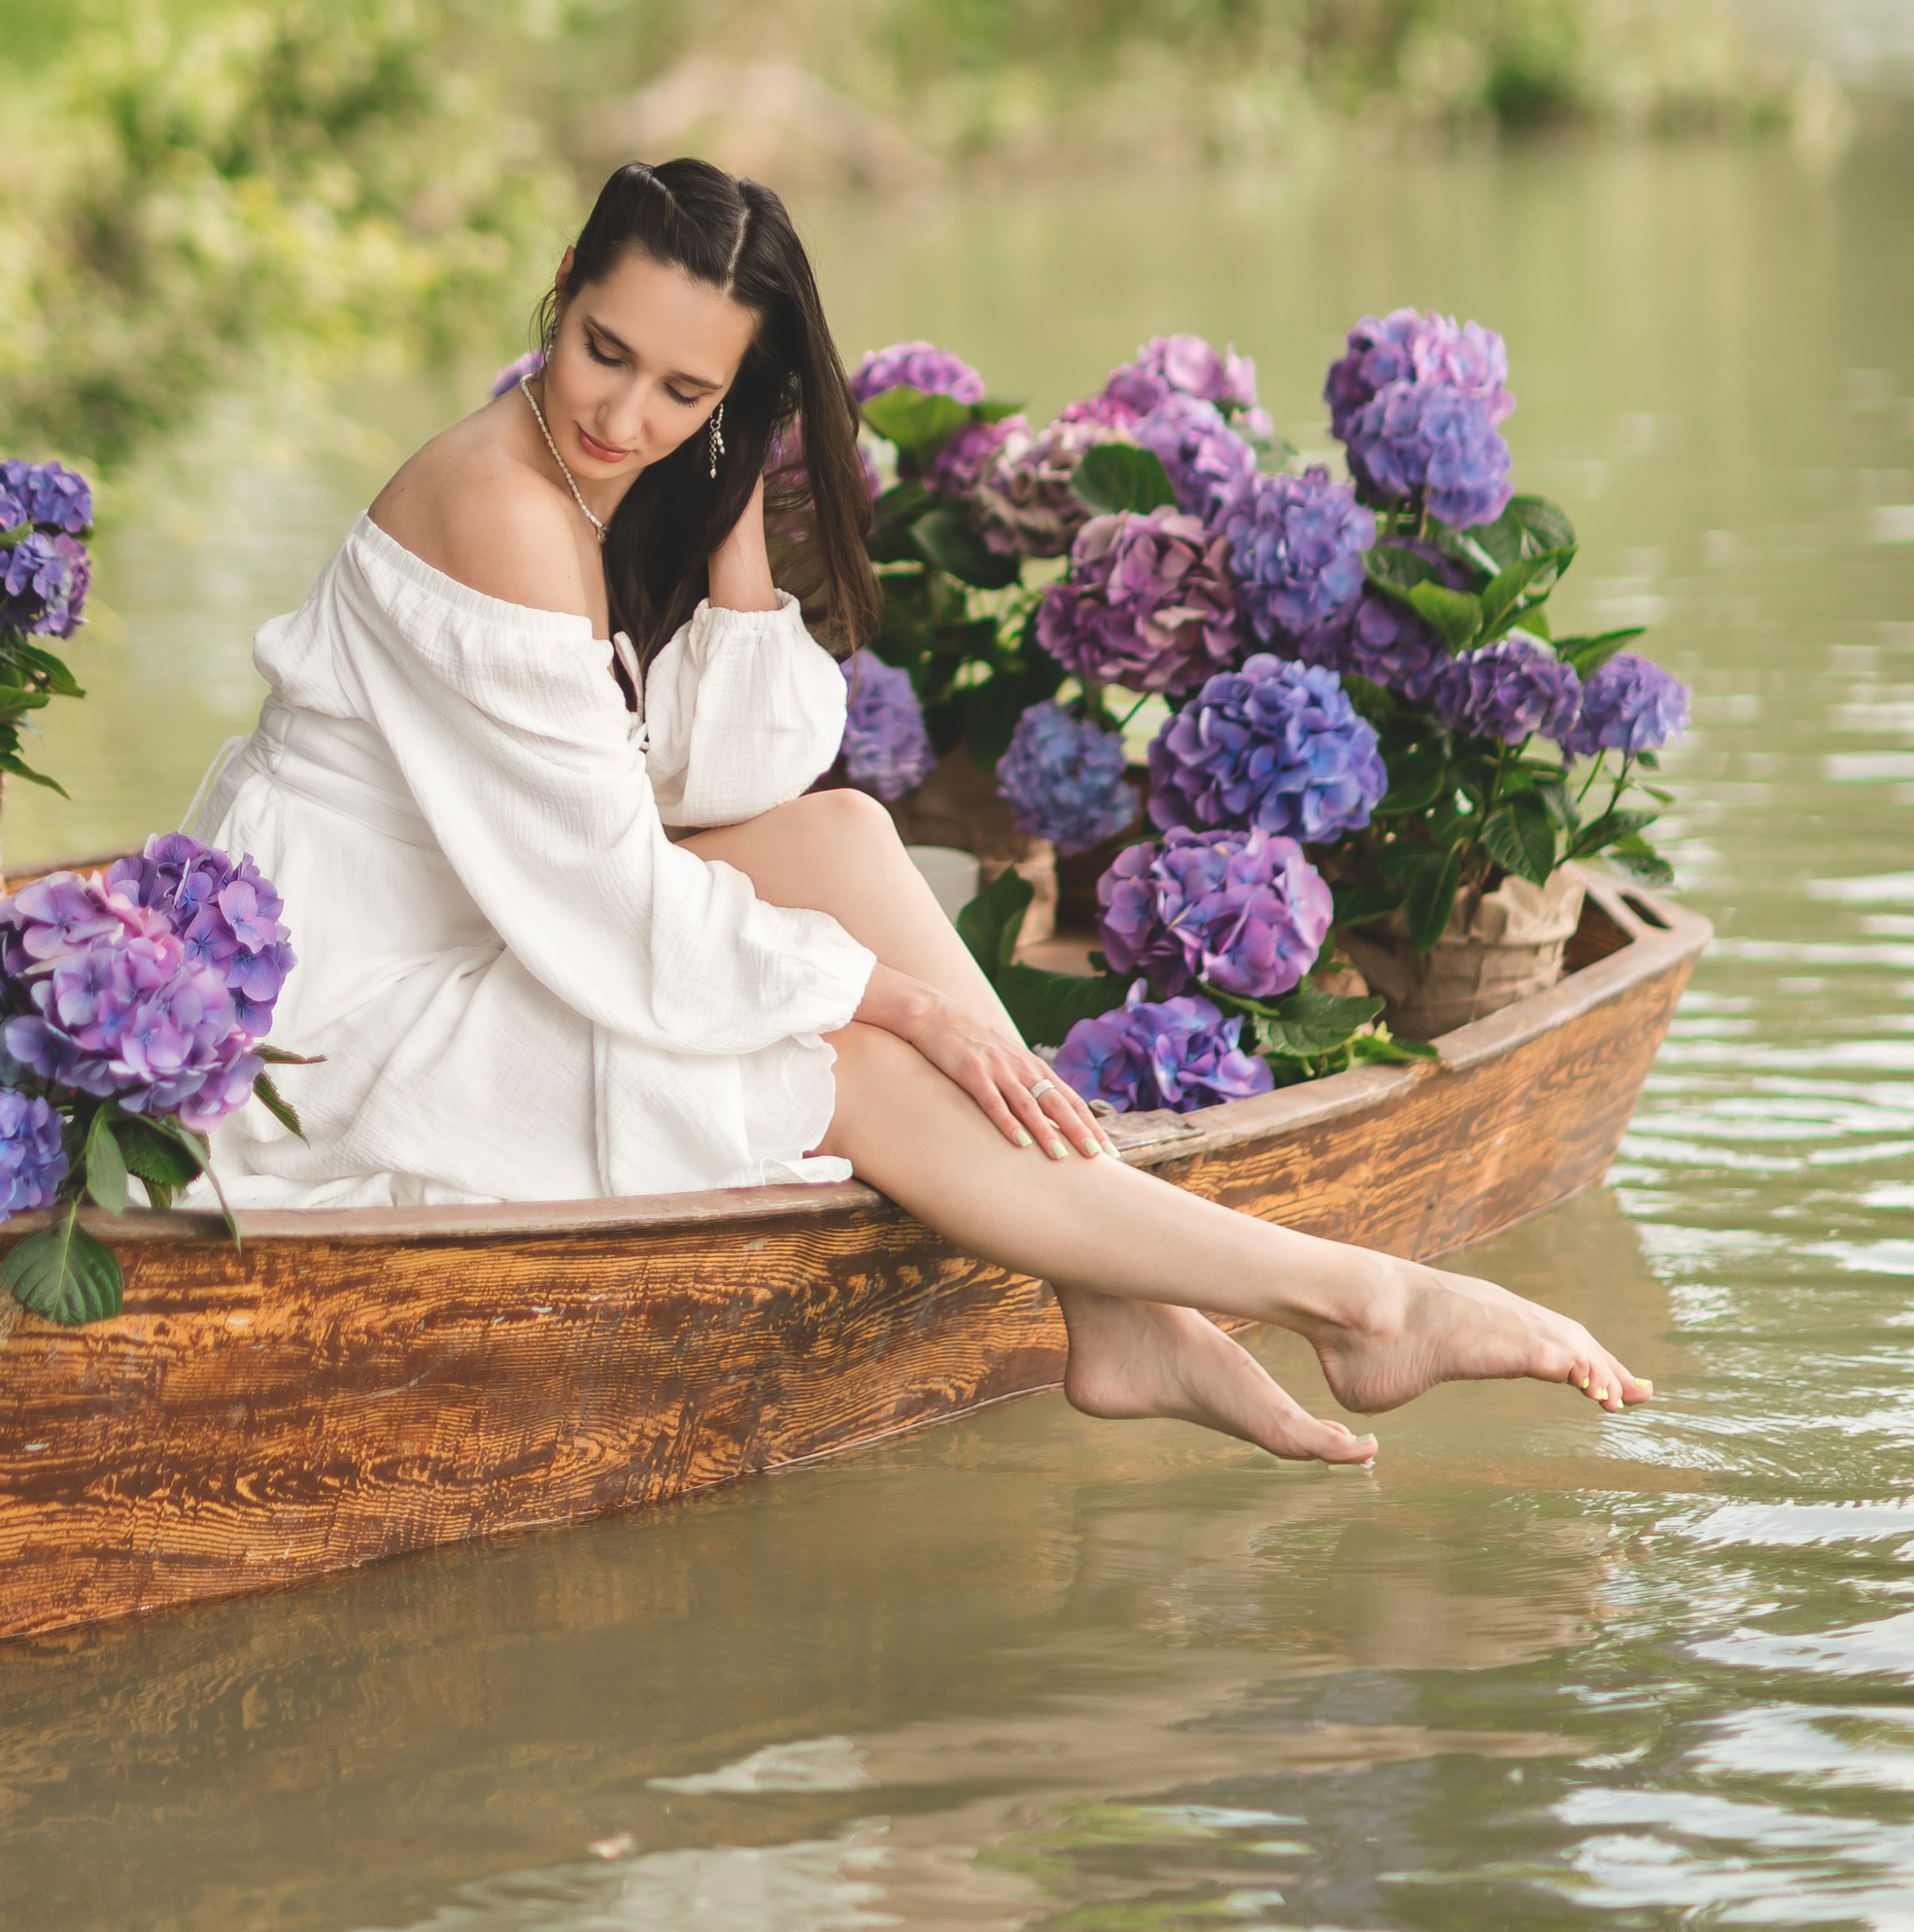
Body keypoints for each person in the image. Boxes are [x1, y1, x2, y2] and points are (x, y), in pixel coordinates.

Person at [184, 155, 1648, 1463]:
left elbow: (743, 772)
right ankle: (1357, 1293)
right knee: (847, 1053)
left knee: (843, 838)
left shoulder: (600, 472)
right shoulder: (499, 501)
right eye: (601, 348)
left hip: (473, 915)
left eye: (684, 389)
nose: (623, 412)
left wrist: (730, 479)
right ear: (558, 291)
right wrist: (904, 1004)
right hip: (331, 1002)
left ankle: (1119, 1301)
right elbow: (620, 905)